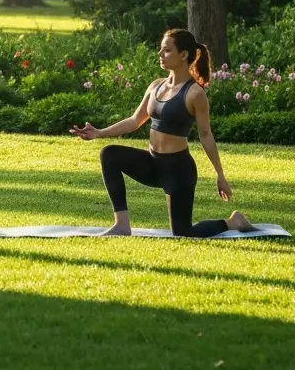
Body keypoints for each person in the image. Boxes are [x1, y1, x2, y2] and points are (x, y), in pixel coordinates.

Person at [69, 28, 253, 237]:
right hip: (152, 163)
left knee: (183, 233)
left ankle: (232, 221)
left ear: (183, 55)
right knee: (109, 154)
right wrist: (99, 133)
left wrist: (220, 175)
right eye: (161, 50)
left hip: (178, 170)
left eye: (167, 50)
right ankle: (121, 225)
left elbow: (206, 135)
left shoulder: (195, 93)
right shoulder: (156, 86)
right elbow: (134, 121)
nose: (160, 54)